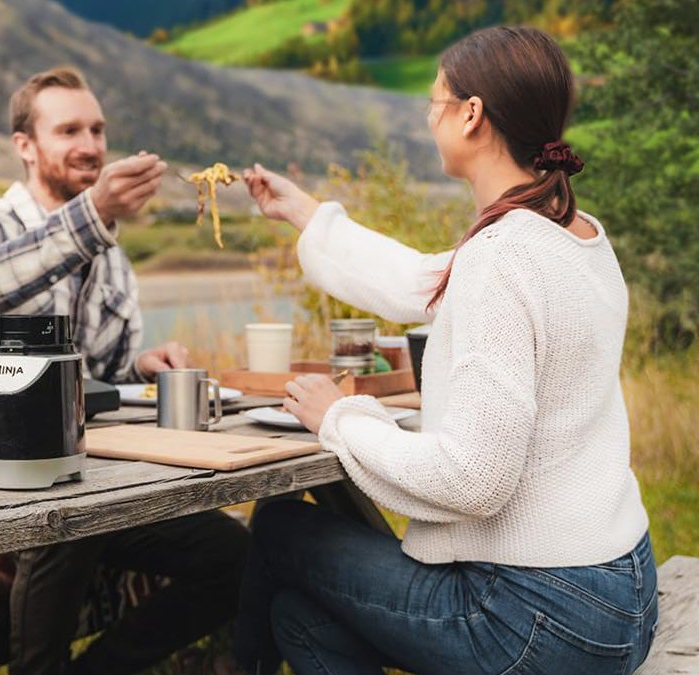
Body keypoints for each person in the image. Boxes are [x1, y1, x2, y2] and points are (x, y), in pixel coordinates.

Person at [221, 26, 656, 675]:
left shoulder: (503, 255)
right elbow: (427, 279)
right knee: (301, 621)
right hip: (623, 599)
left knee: (282, 528)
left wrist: (339, 417)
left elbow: (472, 479)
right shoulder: (576, 234)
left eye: (436, 103)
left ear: (472, 115)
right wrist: (309, 215)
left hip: (539, 620)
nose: (430, 118)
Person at [0, 66, 250, 675]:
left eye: (98, 129)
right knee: (68, 519)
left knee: (233, 555)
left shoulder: (116, 261)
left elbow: (102, 379)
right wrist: (91, 217)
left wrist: (141, 366)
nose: (90, 144)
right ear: (25, 145)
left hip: (88, 471)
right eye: (69, 129)